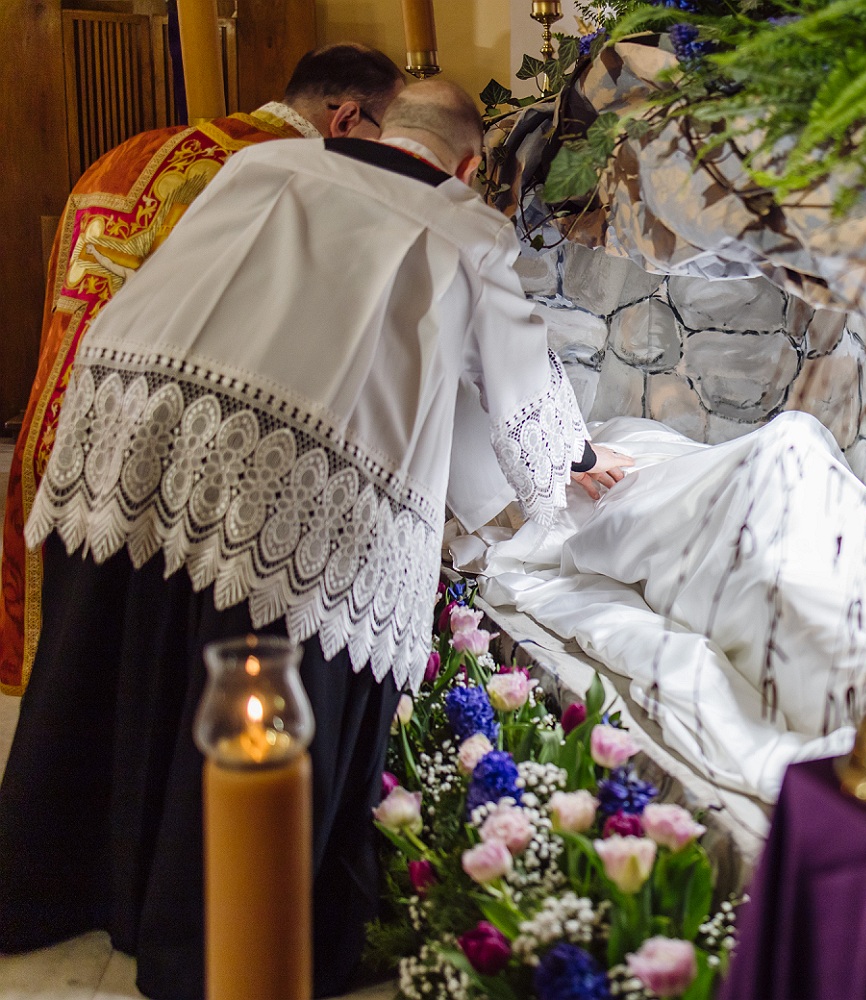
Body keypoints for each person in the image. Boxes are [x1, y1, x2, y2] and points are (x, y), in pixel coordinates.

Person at [0, 79, 629, 999]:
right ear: (468, 166)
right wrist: (575, 457)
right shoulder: (468, 227)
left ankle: (55, 886)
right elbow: (518, 377)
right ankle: (202, 935)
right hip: (297, 463)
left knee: (125, 647)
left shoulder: (266, 163)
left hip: (135, 409)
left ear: (381, 125)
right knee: (258, 663)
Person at [0, 42, 407, 696]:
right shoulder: (289, 176)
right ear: (347, 118)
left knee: (72, 658)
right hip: (160, 457)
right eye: (389, 140)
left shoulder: (136, 151)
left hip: (63, 419)